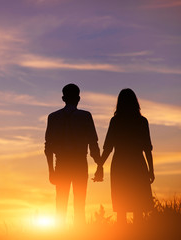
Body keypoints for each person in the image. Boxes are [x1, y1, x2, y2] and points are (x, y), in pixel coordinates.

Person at [44, 83, 101, 227]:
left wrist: (51, 170)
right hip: (80, 164)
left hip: (61, 165)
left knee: (60, 204)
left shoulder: (53, 117)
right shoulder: (86, 116)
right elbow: (93, 145)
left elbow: (48, 148)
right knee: (80, 204)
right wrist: (99, 165)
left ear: (63, 98)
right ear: (79, 98)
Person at [98, 88, 155, 224]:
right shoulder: (142, 121)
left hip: (120, 165)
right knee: (138, 206)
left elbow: (108, 147)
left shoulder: (116, 121)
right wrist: (151, 170)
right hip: (137, 164)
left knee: (121, 205)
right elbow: (147, 149)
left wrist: (100, 165)